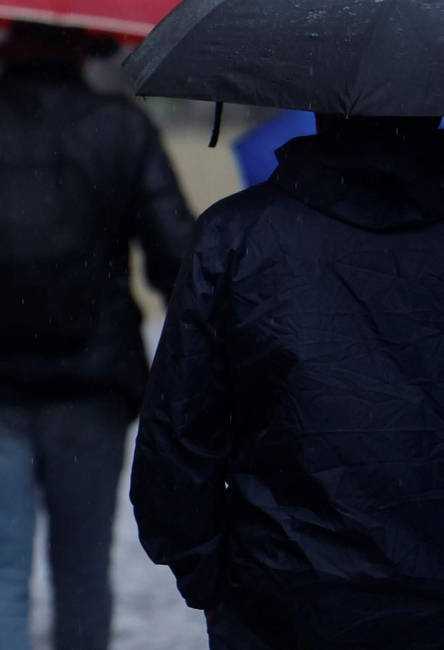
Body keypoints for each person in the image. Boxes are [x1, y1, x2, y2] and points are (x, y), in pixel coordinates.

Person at [0, 22, 194, 650]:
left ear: (5, 46)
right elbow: (176, 255)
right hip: (91, 379)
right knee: (82, 568)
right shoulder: (121, 130)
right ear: (82, 47)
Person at [132, 114, 444, 650]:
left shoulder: (238, 234)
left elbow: (179, 436)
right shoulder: (236, 236)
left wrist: (211, 577)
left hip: (283, 597)